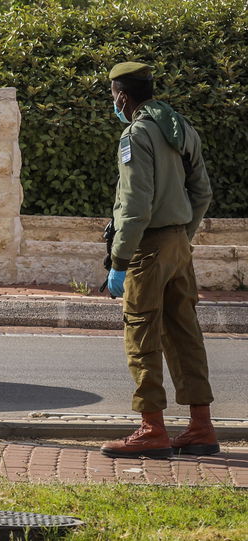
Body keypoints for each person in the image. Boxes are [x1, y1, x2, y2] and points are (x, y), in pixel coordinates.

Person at [99, 62, 218, 459]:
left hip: (147, 248)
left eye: (113, 96)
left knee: (142, 333)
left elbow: (135, 205)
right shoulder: (180, 128)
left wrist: (119, 260)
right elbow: (201, 192)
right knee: (185, 333)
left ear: (122, 96)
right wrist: (182, 238)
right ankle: (201, 427)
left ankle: (152, 429)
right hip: (178, 246)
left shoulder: (137, 134)